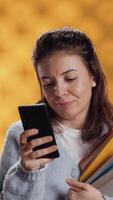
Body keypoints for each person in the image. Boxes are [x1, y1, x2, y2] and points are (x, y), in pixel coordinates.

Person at [0, 27, 113, 200]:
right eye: (48, 83)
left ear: (93, 76)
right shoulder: (21, 136)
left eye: (70, 78)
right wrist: (26, 173)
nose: (59, 91)